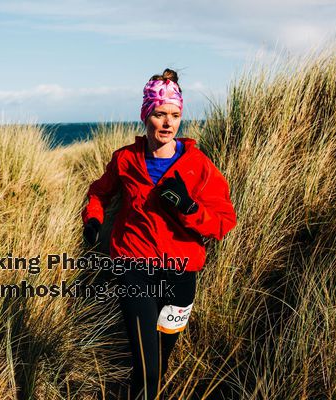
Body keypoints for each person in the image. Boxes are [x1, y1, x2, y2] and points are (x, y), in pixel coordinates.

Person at [81, 69, 237, 400]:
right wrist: (93, 220)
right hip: (133, 267)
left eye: (175, 115)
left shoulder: (198, 166)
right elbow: (99, 193)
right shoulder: (125, 159)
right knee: (147, 367)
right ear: (145, 115)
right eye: (159, 114)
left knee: (161, 358)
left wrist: (190, 209)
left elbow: (224, 221)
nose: (167, 123)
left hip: (181, 274)